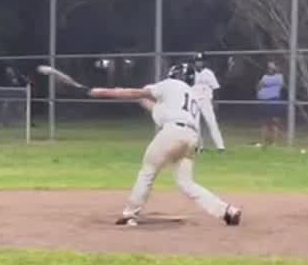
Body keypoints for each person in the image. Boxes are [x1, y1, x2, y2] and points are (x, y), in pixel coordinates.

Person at [88, 65, 242, 228]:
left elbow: (138, 92)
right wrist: (136, 97)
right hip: (191, 139)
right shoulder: (191, 97)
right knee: (187, 183)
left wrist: (103, 92)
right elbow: (153, 106)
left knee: (148, 171)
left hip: (173, 132)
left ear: (173, 75)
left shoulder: (171, 84)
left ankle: (129, 215)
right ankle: (227, 211)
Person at [190, 54, 225, 152]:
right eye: (197, 61)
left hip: (206, 101)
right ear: (194, 62)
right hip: (194, 101)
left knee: (212, 123)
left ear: (204, 62)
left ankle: (220, 147)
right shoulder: (190, 73)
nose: (199, 62)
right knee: (195, 125)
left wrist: (215, 101)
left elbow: (216, 88)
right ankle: (199, 147)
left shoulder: (208, 73)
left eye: (200, 61)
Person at [256, 61, 286, 146]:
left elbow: (281, 86)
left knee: (275, 122)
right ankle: (264, 141)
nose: (270, 69)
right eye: (269, 67)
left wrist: (265, 86)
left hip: (274, 101)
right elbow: (259, 86)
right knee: (264, 122)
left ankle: (274, 142)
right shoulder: (264, 77)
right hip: (264, 101)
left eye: (272, 67)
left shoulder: (279, 77)